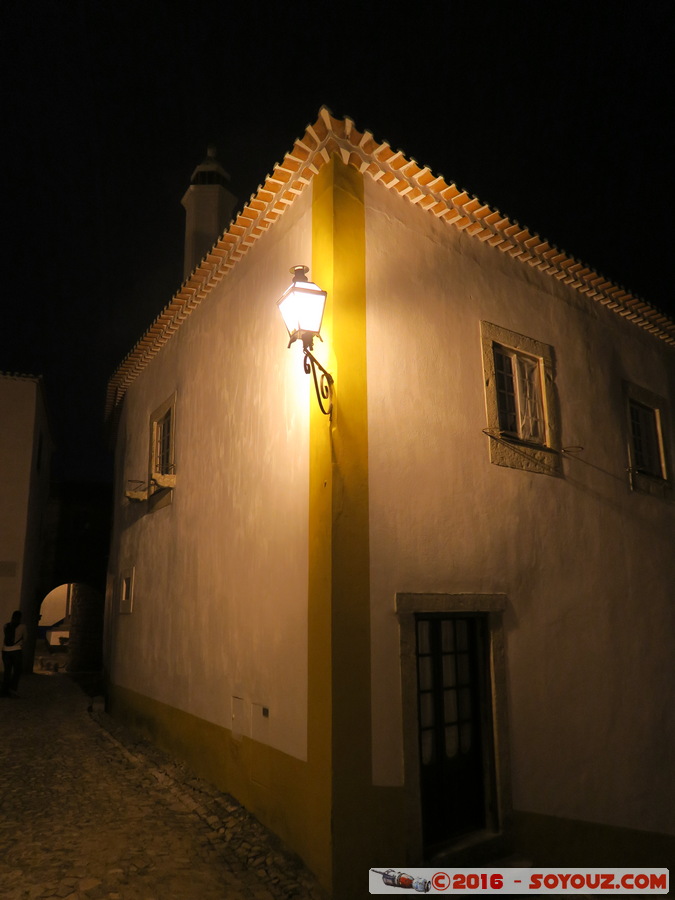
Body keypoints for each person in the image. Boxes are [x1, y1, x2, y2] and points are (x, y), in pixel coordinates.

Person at [2, 610, 26, 697]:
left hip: (5, 651)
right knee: (17, 671)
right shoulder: (22, 627)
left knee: (7, 671)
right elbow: (25, 639)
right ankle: (13, 689)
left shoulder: (5, 625)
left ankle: (5, 690)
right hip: (16, 650)